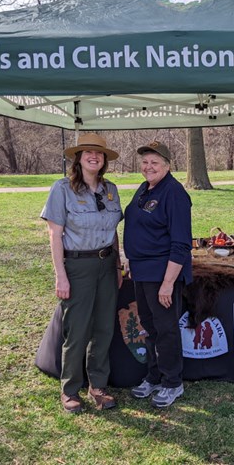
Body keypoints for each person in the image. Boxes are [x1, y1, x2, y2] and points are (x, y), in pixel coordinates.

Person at [40, 133, 123, 414]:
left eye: (98, 153)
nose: (94, 157)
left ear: (104, 160)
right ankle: (70, 389)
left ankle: (98, 385)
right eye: (87, 152)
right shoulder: (62, 189)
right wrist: (60, 275)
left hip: (106, 265)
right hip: (77, 266)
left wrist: (118, 264)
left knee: (104, 328)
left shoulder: (110, 189)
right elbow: (54, 235)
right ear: (78, 158)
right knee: (77, 330)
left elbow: (113, 232)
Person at [123, 141, 193, 409]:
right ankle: (154, 376)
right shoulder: (146, 188)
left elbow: (181, 244)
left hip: (162, 274)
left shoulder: (173, 193)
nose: (148, 166)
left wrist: (167, 283)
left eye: (154, 162)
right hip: (142, 272)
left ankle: (173, 382)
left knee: (166, 330)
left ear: (167, 165)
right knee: (150, 328)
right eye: (144, 162)